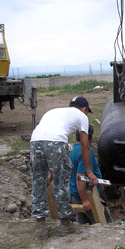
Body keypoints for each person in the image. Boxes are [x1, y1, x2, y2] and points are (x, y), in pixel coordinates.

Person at [30, 96, 98, 237]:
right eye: (87, 111)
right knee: (61, 182)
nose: (86, 114)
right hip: (56, 143)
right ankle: (65, 224)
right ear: (84, 109)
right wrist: (89, 171)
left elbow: (46, 138)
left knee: (38, 182)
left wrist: (49, 169)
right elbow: (85, 146)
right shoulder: (82, 116)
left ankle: (40, 226)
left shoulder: (53, 112)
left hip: (35, 141)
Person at [69, 125, 112, 224]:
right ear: (91, 137)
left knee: (84, 228)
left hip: (75, 196)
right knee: (105, 226)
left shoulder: (73, 151)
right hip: (87, 198)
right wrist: (85, 200)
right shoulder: (86, 151)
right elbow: (80, 177)